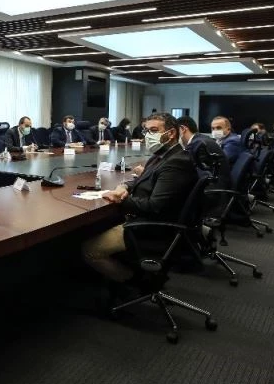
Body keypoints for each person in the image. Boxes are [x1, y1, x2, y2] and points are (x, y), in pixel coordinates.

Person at [81, 112, 198, 285]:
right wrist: (124, 187)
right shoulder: (161, 155)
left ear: (171, 133)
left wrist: (120, 200)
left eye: (154, 130)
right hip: (142, 218)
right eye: (146, 131)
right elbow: (141, 179)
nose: (148, 135)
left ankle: (135, 282)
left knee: (89, 249)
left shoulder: (176, 162)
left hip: (151, 228)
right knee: (93, 227)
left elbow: (154, 206)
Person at [177, 116, 230, 187]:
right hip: (217, 180)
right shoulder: (200, 139)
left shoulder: (197, 143)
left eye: (176, 131)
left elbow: (184, 167)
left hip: (216, 186)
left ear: (183, 129)